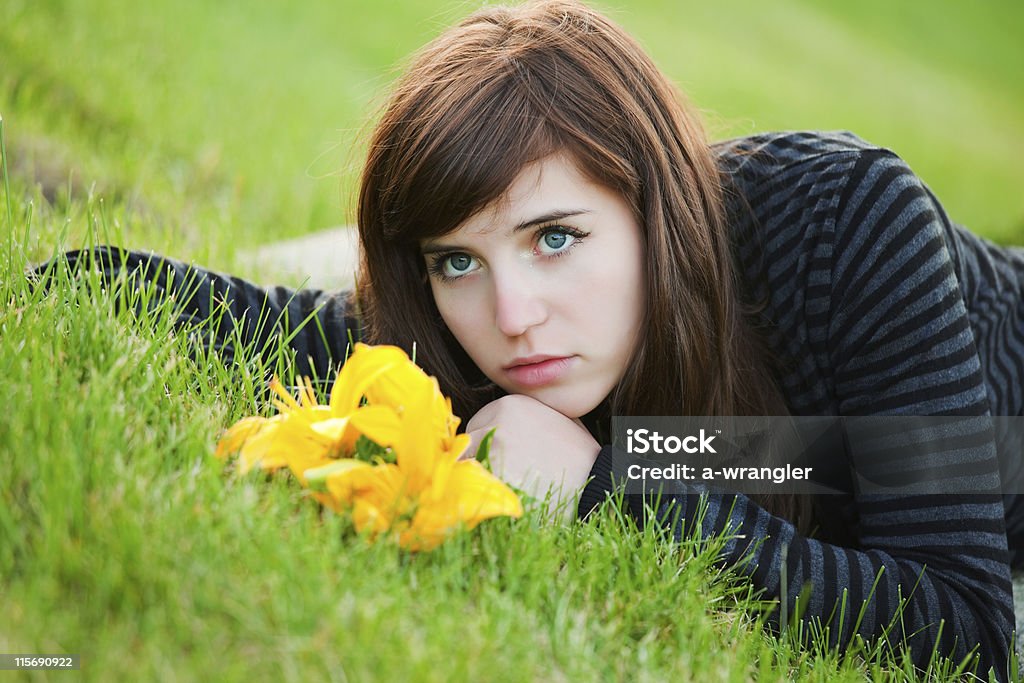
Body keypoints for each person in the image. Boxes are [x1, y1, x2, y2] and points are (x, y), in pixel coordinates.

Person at [40, 0, 1023, 678]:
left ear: (656, 205)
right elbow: (283, 328)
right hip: (813, 451)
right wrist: (73, 276)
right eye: (456, 260)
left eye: (555, 238)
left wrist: (611, 485)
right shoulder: (479, 324)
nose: (511, 318)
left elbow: (964, 629)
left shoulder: (846, 222)